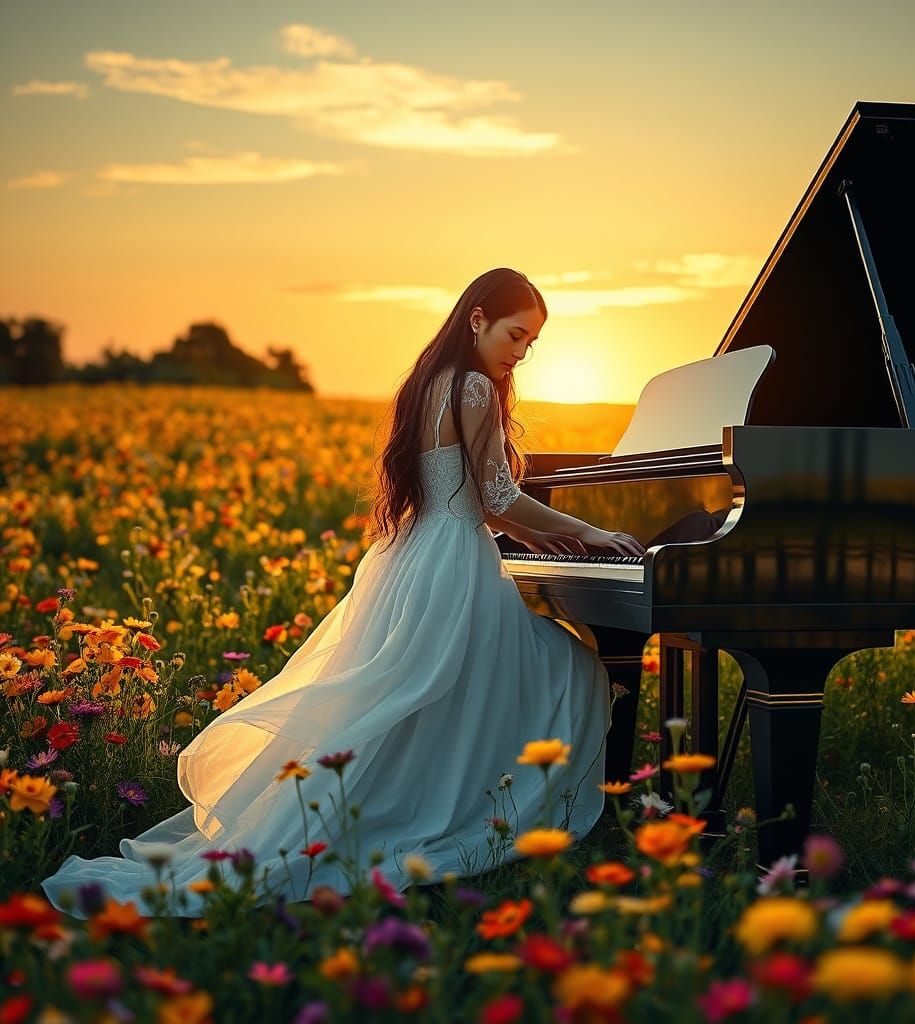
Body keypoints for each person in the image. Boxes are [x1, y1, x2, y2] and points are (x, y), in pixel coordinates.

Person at [40, 268, 645, 918]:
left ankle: (433, 802)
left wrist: (547, 534)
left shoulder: (429, 381)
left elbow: (480, 499)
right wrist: (592, 532)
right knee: (572, 668)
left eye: (530, 343)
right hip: (453, 562)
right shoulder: (473, 385)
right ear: (477, 319)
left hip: (417, 556)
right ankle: (512, 815)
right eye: (515, 335)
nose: (520, 352)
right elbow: (496, 498)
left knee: (416, 705)